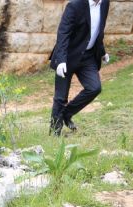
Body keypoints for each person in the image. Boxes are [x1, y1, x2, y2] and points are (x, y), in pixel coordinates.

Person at [49, 0, 110, 136]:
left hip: (87, 57)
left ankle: (66, 113)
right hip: (68, 57)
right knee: (60, 97)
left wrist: (102, 52)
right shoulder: (74, 5)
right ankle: (54, 133)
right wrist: (61, 60)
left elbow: (98, 30)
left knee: (94, 88)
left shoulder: (105, 3)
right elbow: (63, 34)